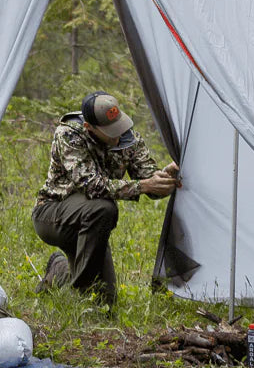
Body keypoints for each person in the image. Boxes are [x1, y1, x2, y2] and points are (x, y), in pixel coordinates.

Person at [32, 91, 179, 307]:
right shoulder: (69, 135)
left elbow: (148, 181)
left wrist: (163, 179)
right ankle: (78, 298)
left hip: (93, 224)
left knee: (105, 303)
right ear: (89, 127)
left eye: (118, 126)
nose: (118, 136)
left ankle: (59, 270)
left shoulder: (129, 137)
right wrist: (143, 185)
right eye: (110, 132)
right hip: (54, 215)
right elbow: (92, 185)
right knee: (103, 208)